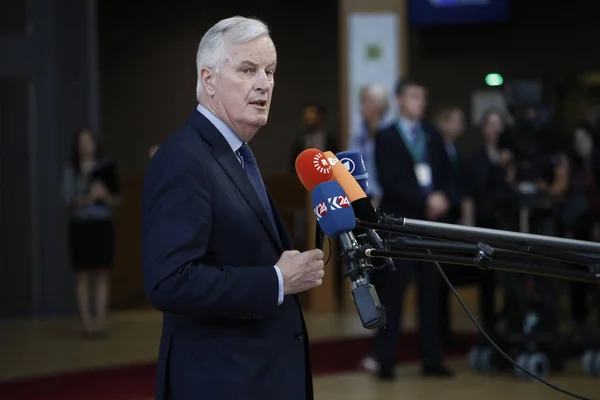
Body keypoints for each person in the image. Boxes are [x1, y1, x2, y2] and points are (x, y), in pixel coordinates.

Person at [141, 16, 325, 400]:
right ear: (208, 80)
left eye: (270, 71)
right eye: (247, 69)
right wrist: (276, 281)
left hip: (256, 377)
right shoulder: (184, 159)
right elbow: (169, 282)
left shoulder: (236, 155)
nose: (264, 83)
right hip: (221, 382)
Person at [369, 78, 454, 379]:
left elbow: (447, 172)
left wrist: (442, 197)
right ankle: (386, 359)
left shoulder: (432, 134)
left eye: (423, 97)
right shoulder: (386, 136)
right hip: (400, 223)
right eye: (415, 96)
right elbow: (390, 180)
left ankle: (432, 358)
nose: (421, 102)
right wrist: (425, 198)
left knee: (432, 292)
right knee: (393, 292)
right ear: (399, 99)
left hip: (431, 224)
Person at [63, 128, 120, 338]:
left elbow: (116, 200)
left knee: (103, 273)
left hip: (102, 224)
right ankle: (87, 323)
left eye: (89, 141)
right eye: (82, 142)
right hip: (80, 225)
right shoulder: (72, 170)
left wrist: (105, 196)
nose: (86, 145)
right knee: (83, 275)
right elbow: (68, 200)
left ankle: (100, 323)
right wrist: (89, 195)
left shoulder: (106, 167)